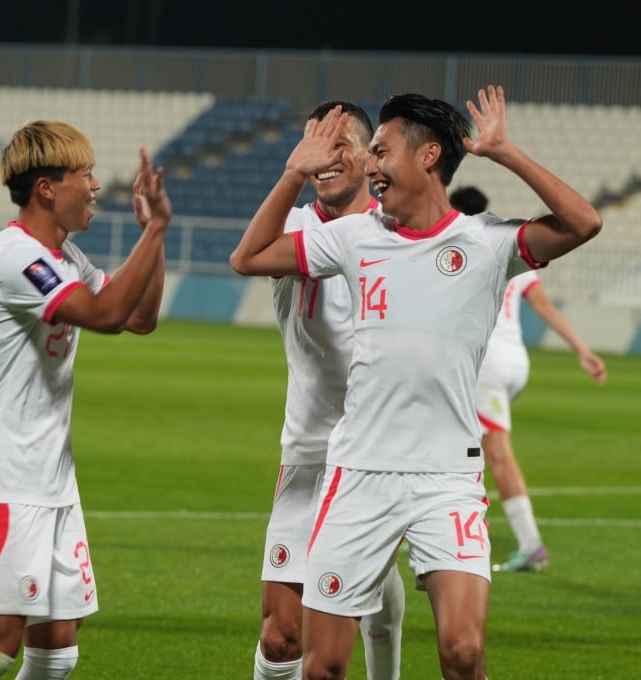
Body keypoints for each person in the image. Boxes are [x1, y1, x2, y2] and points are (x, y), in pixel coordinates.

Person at [230, 85, 602, 679]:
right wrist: (291, 173)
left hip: (446, 477)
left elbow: (584, 222)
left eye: (381, 151)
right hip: (358, 474)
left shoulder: (485, 245)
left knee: (463, 652)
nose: (372, 166)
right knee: (320, 666)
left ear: (428, 156)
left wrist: (505, 153)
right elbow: (248, 259)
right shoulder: (354, 237)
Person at [0, 120, 170, 680]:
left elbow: (140, 318)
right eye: (83, 174)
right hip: (5, 473)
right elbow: (105, 317)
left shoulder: (68, 258)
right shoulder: (13, 253)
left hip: (52, 476)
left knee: (58, 644)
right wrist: (156, 230)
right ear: (46, 189)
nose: (94, 186)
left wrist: (148, 236)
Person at [255, 100, 405, 680]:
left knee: (352, 609)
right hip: (309, 456)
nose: (326, 156)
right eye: (315, 143)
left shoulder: (398, 234)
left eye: (341, 144)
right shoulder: (292, 227)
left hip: (377, 456)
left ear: (371, 157)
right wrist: (292, 172)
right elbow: (246, 257)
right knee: (281, 635)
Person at [451, 184, 606, 573]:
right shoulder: (508, 245)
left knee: (497, 454)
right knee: (460, 438)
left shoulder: (456, 249)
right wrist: (581, 349)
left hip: (487, 365)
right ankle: (441, 526)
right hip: (516, 362)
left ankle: (531, 544)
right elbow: (545, 308)